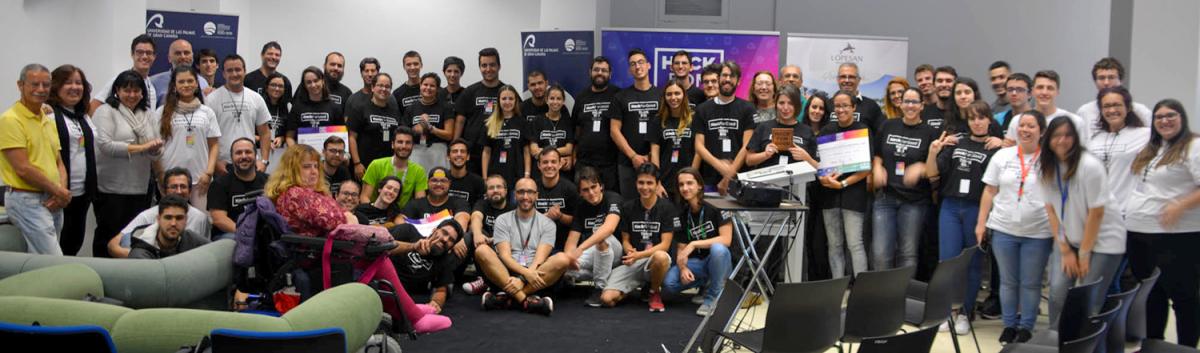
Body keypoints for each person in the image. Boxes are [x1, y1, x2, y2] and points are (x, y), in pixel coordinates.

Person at [265, 144, 450, 333]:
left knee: (381, 252)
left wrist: (347, 217)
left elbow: (339, 216)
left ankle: (409, 310)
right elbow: (336, 219)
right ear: (292, 169)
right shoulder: (296, 194)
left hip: (323, 249)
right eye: (306, 167)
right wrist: (348, 217)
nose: (313, 172)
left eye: (315, 166)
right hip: (315, 255)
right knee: (379, 257)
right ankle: (414, 317)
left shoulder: (300, 193)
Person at [1126, 99, 1200, 347]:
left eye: (1171, 115)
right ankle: (1153, 345)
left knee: (1183, 296)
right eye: (1159, 117)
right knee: (1151, 295)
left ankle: (1186, 348)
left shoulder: (1193, 146)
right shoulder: (1152, 148)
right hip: (1140, 232)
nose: (1165, 121)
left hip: (1177, 236)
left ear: (1182, 118)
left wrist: (1180, 205)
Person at [1039, 117, 1126, 327]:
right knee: (1058, 293)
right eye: (1056, 135)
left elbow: (1096, 213)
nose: (1062, 140)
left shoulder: (1089, 165)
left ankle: (1084, 345)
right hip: (1069, 238)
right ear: (1048, 138)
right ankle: (1056, 341)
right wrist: (1065, 249)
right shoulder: (1046, 167)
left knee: (1088, 300)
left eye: (1068, 135)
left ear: (1076, 138)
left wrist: (1084, 253)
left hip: (1104, 241)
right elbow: (1051, 210)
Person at [976, 110, 1052, 344]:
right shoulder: (1003, 156)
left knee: (1030, 282)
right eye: (1021, 126)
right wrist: (981, 224)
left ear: (1041, 131)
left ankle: (1026, 326)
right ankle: (1009, 325)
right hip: (1003, 228)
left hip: (1038, 232)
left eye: (1031, 126)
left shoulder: (1050, 159)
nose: (1025, 130)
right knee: (1008, 281)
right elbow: (989, 190)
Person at [926, 100, 999, 334]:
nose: (977, 122)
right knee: (947, 262)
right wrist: (934, 151)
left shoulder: (996, 148)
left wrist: (1005, 143)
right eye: (972, 118)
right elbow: (933, 173)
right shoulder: (956, 142)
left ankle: (966, 313)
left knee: (972, 263)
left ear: (989, 120)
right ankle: (946, 312)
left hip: (976, 209)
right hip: (950, 206)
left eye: (981, 117)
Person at [91, 70, 162, 258]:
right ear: (117, 91)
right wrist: (144, 147)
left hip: (140, 188)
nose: (132, 95)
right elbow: (106, 146)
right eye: (126, 90)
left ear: (142, 93)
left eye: (136, 91)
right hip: (111, 189)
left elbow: (156, 151)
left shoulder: (147, 114)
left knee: (133, 237)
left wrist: (155, 150)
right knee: (107, 236)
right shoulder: (105, 111)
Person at [1, 64, 68, 255]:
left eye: (46, 85)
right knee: (54, 260)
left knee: (40, 263)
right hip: (27, 199)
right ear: (20, 85)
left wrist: (60, 192)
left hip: (53, 198)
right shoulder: (10, 120)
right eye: (34, 84)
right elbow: (22, 168)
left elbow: (59, 162)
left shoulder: (47, 118)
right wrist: (58, 191)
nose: (41, 89)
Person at [475, 178, 567, 315]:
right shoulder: (503, 219)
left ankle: (506, 298)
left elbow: (539, 259)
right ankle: (525, 301)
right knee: (482, 250)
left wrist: (523, 278)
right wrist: (524, 275)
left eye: (530, 192)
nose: (525, 197)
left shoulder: (548, 224)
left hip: (535, 271)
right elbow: (505, 256)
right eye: (521, 192)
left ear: (537, 195)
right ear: (515, 195)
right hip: (506, 272)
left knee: (562, 259)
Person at [871, 87, 939, 271]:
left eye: (914, 102)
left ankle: (902, 296)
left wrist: (922, 167)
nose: (910, 105)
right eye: (906, 101)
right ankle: (883, 297)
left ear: (922, 106)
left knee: (907, 254)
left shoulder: (930, 132)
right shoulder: (888, 125)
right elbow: (877, 155)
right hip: (886, 198)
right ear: (900, 104)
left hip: (915, 201)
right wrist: (877, 167)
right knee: (880, 253)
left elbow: (936, 169)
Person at [599, 163, 677, 312]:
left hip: (654, 260)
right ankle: (629, 289)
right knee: (606, 299)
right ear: (636, 183)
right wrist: (630, 252)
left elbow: (665, 245)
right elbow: (626, 240)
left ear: (657, 184)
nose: (645, 187)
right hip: (634, 261)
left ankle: (654, 292)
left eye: (649, 183)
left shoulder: (667, 208)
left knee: (661, 256)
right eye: (641, 182)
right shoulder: (628, 207)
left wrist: (638, 255)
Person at [662, 167, 732, 316]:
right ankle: (706, 284)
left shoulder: (716, 206)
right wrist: (682, 268)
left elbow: (726, 239)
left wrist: (694, 244)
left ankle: (712, 298)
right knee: (669, 284)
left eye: (689, 183)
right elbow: (681, 249)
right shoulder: (681, 213)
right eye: (681, 185)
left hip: (719, 261)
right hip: (698, 263)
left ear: (700, 185)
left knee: (718, 249)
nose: (685, 188)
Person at [817, 90, 872, 277]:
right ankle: (837, 289)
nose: (841, 110)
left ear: (854, 107)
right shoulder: (826, 131)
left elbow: (866, 168)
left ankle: (861, 292)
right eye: (837, 106)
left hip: (853, 196)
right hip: (829, 197)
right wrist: (822, 178)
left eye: (845, 106)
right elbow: (821, 165)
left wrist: (843, 184)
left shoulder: (862, 130)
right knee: (834, 245)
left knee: (855, 244)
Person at [107, 167, 212, 258]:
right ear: (164, 191)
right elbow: (113, 245)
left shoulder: (200, 218)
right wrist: (146, 258)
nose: (179, 191)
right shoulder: (147, 216)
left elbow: (207, 252)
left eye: (183, 186)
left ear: (190, 192)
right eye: (174, 187)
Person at [156, 65, 221, 210]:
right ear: (174, 85)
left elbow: (214, 145)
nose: (186, 85)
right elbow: (155, 149)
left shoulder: (207, 112)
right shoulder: (161, 112)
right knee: (173, 220)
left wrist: (209, 172)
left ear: (197, 84)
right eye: (181, 82)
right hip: (171, 179)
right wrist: (160, 175)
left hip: (200, 179)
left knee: (202, 222)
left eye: (190, 81)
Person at [48, 65, 97, 256]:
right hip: (57, 193)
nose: (74, 87)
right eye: (68, 82)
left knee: (73, 243)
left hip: (82, 193)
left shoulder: (83, 116)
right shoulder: (49, 114)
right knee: (55, 248)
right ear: (56, 86)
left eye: (78, 83)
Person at [558, 166, 624, 306]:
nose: (591, 193)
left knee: (601, 237)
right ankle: (604, 278)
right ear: (580, 193)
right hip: (595, 256)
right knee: (562, 265)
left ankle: (599, 288)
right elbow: (572, 239)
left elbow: (609, 228)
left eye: (594, 187)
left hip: (615, 252)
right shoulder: (581, 206)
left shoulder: (613, 198)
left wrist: (580, 248)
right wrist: (569, 257)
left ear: (601, 186)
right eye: (585, 190)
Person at [693, 61, 755, 192]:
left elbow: (747, 146)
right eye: (724, 75)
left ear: (738, 81)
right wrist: (720, 165)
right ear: (718, 78)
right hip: (709, 179)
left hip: (739, 180)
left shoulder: (748, 109)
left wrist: (729, 175)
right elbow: (699, 146)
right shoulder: (702, 110)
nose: (727, 79)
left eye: (732, 76)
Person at [206, 54, 272, 176]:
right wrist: (215, 162)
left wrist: (264, 161)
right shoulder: (211, 100)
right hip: (222, 165)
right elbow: (206, 136)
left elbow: (265, 133)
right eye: (229, 70)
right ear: (223, 74)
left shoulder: (256, 98)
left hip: (250, 162)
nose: (234, 74)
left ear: (244, 71)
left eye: (238, 69)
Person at [1088, 87, 1150, 214]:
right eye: (1106, 106)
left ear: (1128, 107)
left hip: (1127, 212)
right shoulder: (1094, 140)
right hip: (1097, 212)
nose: (1112, 110)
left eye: (1117, 105)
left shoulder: (1145, 135)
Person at [611, 49, 663, 197]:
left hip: (655, 161)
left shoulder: (661, 96)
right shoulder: (620, 97)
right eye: (633, 64)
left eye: (641, 62)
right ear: (629, 70)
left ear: (649, 65)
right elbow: (614, 131)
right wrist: (633, 156)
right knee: (629, 206)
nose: (637, 67)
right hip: (628, 163)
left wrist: (651, 156)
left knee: (655, 206)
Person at [389, 220, 465, 313]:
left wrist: (436, 303)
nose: (445, 239)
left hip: (400, 299)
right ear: (434, 230)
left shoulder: (444, 261)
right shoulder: (408, 231)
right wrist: (413, 246)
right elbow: (379, 245)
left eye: (451, 240)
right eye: (444, 233)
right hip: (378, 281)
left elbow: (441, 289)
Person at [461, 174, 515, 295]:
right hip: (485, 249)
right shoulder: (482, 204)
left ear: (506, 191)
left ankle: (495, 282)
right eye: (491, 188)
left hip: (506, 252)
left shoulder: (514, 208)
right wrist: (477, 234)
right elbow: (476, 217)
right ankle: (483, 279)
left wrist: (496, 240)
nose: (495, 190)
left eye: (499, 187)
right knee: (470, 235)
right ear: (486, 192)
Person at [453, 48, 505, 175]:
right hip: (472, 153)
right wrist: (454, 145)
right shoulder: (470, 92)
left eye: (492, 65)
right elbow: (460, 121)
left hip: (497, 152)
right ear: (479, 67)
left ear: (499, 66)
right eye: (484, 65)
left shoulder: (506, 93)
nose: (488, 69)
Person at [572, 56, 621, 190]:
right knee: (584, 201)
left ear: (610, 74)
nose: (600, 73)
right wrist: (574, 156)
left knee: (609, 199)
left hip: (610, 163)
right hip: (585, 162)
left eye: (604, 70)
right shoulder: (581, 97)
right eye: (596, 69)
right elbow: (576, 129)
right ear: (590, 72)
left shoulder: (618, 95)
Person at [1005, 70, 1089, 146]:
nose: (1044, 92)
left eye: (1050, 88)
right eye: (1040, 87)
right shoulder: (1017, 121)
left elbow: (1081, 155)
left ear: (1057, 92)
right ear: (1033, 91)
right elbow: (1008, 152)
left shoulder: (1074, 122)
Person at [746, 85, 819, 171]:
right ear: (776, 104)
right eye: (781, 103)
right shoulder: (763, 127)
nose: (785, 108)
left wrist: (807, 158)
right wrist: (765, 154)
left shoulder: (807, 131)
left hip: (798, 182)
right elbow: (748, 160)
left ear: (797, 105)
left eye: (790, 103)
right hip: (767, 182)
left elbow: (819, 167)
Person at [208, 138, 268, 239]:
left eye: (248, 152)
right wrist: (245, 233)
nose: (244, 156)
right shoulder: (219, 184)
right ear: (231, 157)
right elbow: (219, 219)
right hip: (231, 234)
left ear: (255, 156)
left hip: (262, 234)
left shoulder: (269, 181)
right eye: (238, 153)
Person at [348, 72, 402, 178]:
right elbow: (352, 137)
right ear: (372, 87)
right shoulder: (359, 109)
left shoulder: (395, 111)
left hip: (388, 164)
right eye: (380, 85)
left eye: (387, 86)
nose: (384, 89)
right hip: (365, 165)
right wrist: (357, 163)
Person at [650, 82, 700, 196]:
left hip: (687, 181)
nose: (673, 98)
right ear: (664, 97)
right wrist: (657, 182)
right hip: (665, 180)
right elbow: (654, 153)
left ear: (684, 96)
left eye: (677, 93)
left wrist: (692, 178)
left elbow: (699, 152)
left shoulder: (695, 119)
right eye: (669, 94)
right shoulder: (658, 120)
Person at [127, 195, 211, 259]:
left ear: (186, 220)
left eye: (179, 218)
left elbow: (217, 250)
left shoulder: (190, 238)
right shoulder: (140, 253)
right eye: (168, 217)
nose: (173, 223)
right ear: (158, 219)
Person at [90, 35, 158, 114]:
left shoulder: (151, 88)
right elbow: (94, 105)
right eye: (140, 52)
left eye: (149, 53)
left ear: (154, 56)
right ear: (132, 54)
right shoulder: (119, 80)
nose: (144, 56)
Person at [1076, 57, 1152, 128]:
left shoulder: (1140, 111)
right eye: (1101, 78)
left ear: (1121, 81)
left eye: (1111, 77)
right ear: (1095, 82)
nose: (1106, 82)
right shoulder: (1085, 111)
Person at [361, 126, 427, 208]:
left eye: (408, 143)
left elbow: (420, 203)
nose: (404, 146)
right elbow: (364, 197)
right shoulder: (376, 165)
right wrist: (374, 214)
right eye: (400, 142)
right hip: (376, 212)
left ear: (412, 146)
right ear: (392, 144)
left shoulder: (418, 171)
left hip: (401, 216)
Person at [480, 85, 530, 191]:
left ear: (516, 101)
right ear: (498, 101)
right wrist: (485, 178)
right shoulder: (489, 123)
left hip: (517, 175)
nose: (507, 102)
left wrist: (527, 174)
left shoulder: (522, 123)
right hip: (495, 176)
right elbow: (486, 152)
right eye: (504, 98)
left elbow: (526, 151)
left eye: (511, 98)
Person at [404, 73, 455, 171]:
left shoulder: (445, 107)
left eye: (432, 86)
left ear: (437, 89)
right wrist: (415, 130)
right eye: (425, 85)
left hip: (438, 151)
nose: (428, 88)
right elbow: (403, 132)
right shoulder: (411, 108)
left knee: (438, 183)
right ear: (420, 86)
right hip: (416, 150)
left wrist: (431, 128)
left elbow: (449, 134)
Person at [284, 66, 344, 146]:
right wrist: (298, 155)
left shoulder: (335, 107)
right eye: (309, 82)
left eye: (316, 81)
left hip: (328, 156)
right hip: (303, 156)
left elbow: (341, 136)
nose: (313, 85)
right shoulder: (297, 107)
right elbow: (289, 137)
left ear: (323, 81)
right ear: (304, 85)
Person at [532, 149, 579, 249]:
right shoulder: (532, 188)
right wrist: (546, 216)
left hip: (563, 243)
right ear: (539, 165)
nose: (549, 166)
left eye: (553, 162)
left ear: (560, 164)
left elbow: (577, 221)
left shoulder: (570, 189)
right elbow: (523, 220)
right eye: (545, 162)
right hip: (536, 243)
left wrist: (560, 216)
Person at [400, 167, 471, 230]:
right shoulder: (415, 204)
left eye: (443, 181)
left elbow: (462, 221)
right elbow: (401, 219)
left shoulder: (459, 203)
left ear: (449, 183)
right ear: (427, 183)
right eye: (434, 180)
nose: (438, 184)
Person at [528, 85, 574, 180]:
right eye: (552, 98)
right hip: (540, 174)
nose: (555, 102)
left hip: (563, 174)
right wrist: (557, 157)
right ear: (546, 99)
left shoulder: (568, 122)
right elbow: (533, 150)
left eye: (558, 99)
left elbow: (569, 149)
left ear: (563, 101)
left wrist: (544, 151)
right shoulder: (537, 121)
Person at [943, 78, 1004, 146]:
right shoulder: (947, 122)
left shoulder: (991, 122)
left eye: (967, 92)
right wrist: (944, 144)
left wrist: (1000, 142)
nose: (963, 96)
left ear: (975, 94)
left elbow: (1006, 148)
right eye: (958, 93)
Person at [149, 39, 210, 106]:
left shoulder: (202, 82)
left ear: (192, 56)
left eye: (186, 53)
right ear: (169, 58)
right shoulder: (154, 82)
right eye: (178, 53)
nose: (183, 57)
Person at [826, 62, 883, 132]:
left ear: (858, 80)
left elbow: (880, 134)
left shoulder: (871, 106)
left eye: (851, 77)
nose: (847, 80)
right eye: (843, 77)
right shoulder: (828, 104)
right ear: (838, 80)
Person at [446, 138, 484, 207]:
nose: (459, 154)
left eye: (462, 151)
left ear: (468, 157)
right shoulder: (442, 180)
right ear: (448, 156)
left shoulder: (478, 182)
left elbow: (480, 208)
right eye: (455, 151)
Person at [921, 66, 957, 131]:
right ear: (934, 85)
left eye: (948, 81)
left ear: (956, 85)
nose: (944, 85)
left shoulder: (962, 113)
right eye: (940, 81)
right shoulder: (923, 114)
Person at [263, 72, 290, 159]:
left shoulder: (286, 107)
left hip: (279, 152)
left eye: (280, 86)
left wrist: (281, 139)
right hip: (259, 150)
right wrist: (265, 140)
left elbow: (288, 132)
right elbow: (249, 132)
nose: (277, 88)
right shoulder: (259, 105)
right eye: (273, 85)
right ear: (267, 88)